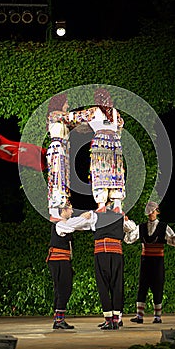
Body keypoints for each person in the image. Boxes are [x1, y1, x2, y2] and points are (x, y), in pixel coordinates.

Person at [124, 201, 175, 324]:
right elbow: (129, 240)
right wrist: (126, 226)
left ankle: (157, 316)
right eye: (149, 211)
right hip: (145, 260)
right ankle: (139, 316)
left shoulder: (163, 227)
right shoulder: (141, 227)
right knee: (142, 287)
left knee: (158, 286)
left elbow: (174, 242)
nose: (151, 213)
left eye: (153, 210)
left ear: (157, 211)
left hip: (158, 261)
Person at [72, 88, 125, 213]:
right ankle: (117, 204)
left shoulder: (94, 111)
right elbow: (121, 125)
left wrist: (63, 116)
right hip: (115, 143)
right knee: (116, 171)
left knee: (100, 170)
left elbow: (77, 117)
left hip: (101, 142)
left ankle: (101, 204)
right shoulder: (115, 112)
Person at [47, 203, 97, 329]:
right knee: (64, 288)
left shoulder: (65, 223)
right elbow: (74, 224)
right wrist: (87, 215)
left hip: (62, 260)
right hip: (59, 260)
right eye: (70, 208)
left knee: (62, 288)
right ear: (63, 210)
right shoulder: (60, 224)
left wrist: (88, 218)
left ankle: (58, 319)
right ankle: (58, 320)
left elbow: (81, 226)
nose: (72, 211)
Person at [46, 93, 74, 221]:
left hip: (63, 151)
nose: (67, 105)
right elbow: (72, 118)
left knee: (63, 180)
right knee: (56, 179)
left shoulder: (63, 120)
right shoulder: (54, 115)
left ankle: (61, 210)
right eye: (66, 102)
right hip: (57, 149)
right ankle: (54, 212)